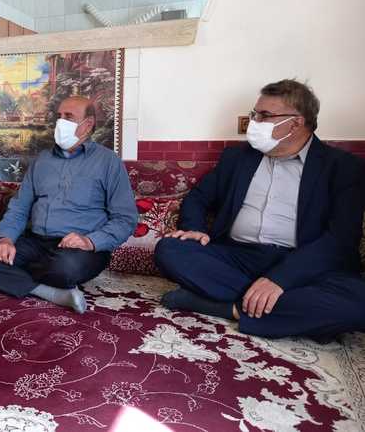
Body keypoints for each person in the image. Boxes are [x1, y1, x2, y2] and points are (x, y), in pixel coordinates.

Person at [155, 79, 365, 340]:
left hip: (303, 263)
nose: (253, 122)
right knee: (170, 250)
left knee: (358, 303)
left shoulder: (342, 167)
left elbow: (340, 240)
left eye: (264, 115)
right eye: (254, 114)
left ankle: (226, 308)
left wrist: (281, 279)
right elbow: (199, 197)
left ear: (296, 123)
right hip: (238, 257)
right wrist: (194, 228)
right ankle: (294, 315)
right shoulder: (238, 157)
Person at [0, 96, 137, 313]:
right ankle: (47, 291)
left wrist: (89, 241)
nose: (60, 122)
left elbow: (125, 219)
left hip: (78, 250)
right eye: (58, 116)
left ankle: (12, 276)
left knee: (66, 268)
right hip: (35, 243)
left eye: (68, 117)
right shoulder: (42, 160)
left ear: (88, 124)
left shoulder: (108, 161)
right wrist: (6, 240)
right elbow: (19, 207)